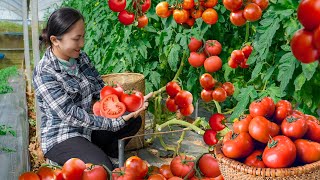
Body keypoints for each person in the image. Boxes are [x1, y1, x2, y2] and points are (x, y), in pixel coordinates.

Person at [33, 7, 152, 170]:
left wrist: (131, 104)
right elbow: (70, 115)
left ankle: (104, 153)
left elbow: (101, 91)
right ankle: (85, 158)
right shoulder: (44, 72)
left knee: (133, 120)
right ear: (55, 40)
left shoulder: (81, 58)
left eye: (83, 37)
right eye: (76, 39)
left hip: (88, 128)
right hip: (62, 136)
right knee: (102, 169)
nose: (82, 44)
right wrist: (113, 122)